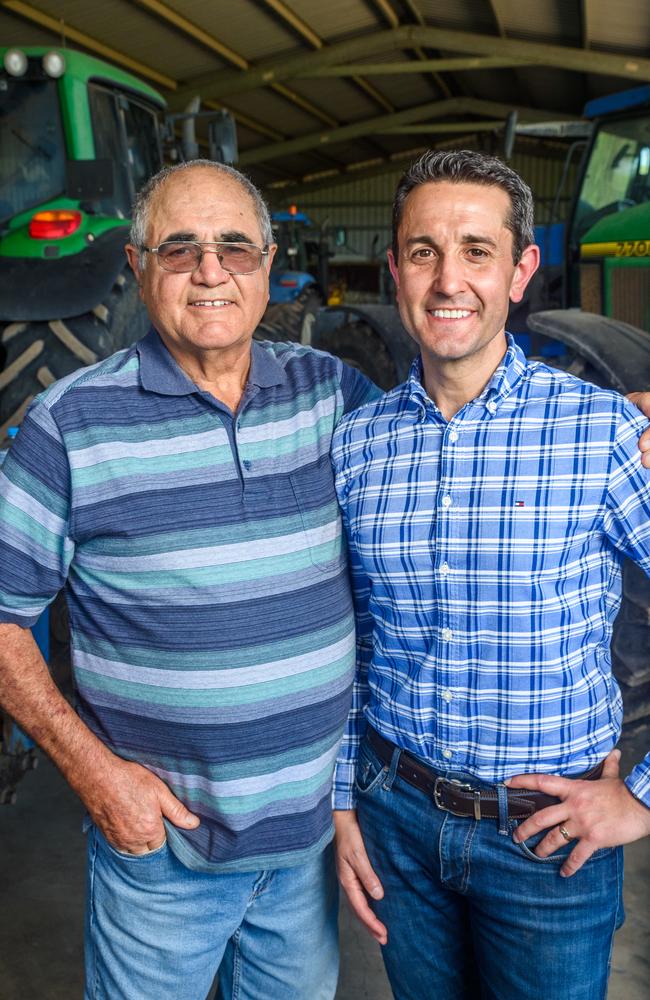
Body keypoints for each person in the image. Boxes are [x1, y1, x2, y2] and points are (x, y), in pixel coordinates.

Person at [0, 159, 378, 1000]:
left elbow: (448, 428)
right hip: (162, 855)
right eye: (179, 249)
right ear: (136, 268)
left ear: (268, 264)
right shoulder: (70, 424)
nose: (211, 270)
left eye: (234, 248)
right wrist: (96, 777)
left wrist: (607, 416)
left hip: (307, 847)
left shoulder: (336, 394)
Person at [331, 149, 650, 1000]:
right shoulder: (359, 444)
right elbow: (350, 639)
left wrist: (644, 800)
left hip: (545, 844)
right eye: (425, 251)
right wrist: (344, 800)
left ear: (520, 270)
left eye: (477, 250)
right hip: (397, 816)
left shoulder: (602, 432)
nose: (448, 281)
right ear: (395, 270)